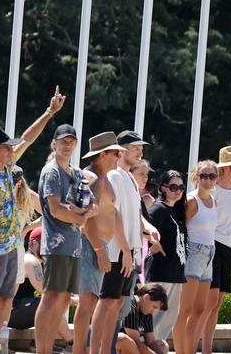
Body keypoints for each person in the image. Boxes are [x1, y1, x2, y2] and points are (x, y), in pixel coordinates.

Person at [0, 87, 65, 354]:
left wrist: (49, 113)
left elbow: (27, 139)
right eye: (6, 147)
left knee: (3, 300)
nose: (12, 150)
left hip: (12, 247)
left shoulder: (7, 169)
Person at [91, 130, 159, 354]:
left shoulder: (130, 177)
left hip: (129, 250)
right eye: (135, 147)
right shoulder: (114, 176)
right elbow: (113, 214)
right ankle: (96, 350)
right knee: (107, 302)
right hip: (115, 251)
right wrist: (125, 251)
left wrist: (148, 228)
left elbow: (134, 213)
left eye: (141, 148)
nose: (140, 152)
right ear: (121, 150)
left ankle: (105, 349)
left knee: (117, 305)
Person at [34, 124, 97, 354]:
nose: (67, 144)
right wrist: (80, 216)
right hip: (56, 245)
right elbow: (55, 209)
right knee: (51, 298)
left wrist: (81, 212)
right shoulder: (50, 171)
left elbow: (91, 205)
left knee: (62, 301)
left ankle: (48, 347)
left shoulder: (78, 173)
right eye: (63, 140)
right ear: (54, 143)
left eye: (71, 140)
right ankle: (43, 350)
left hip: (74, 247)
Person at [73, 131, 127, 354]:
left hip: (99, 245)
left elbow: (112, 214)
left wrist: (123, 246)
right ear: (103, 154)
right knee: (87, 302)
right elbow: (86, 218)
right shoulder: (91, 178)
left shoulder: (104, 178)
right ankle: (78, 350)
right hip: (90, 244)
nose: (118, 157)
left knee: (91, 301)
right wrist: (99, 250)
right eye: (115, 153)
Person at [198, 145, 231, 354]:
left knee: (218, 301)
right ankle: (193, 343)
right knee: (210, 301)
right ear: (228, 167)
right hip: (211, 244)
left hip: (228, 248)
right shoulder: (212, 191)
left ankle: (207, 349)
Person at [172, 160, 218, 354]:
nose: (207, 180)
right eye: (203, 176)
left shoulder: (213, 200)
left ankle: (190, 350)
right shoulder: (191, 201)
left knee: (200, 309)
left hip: (209, 253)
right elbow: (180, 229)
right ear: (195, 177)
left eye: (212, 176)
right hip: (193, 253)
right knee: (185, 309)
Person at [9, 228, 74, 345]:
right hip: (11, 311)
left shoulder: (41, 262)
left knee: (50, 304)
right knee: (50, 303)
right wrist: (74, 300)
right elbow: (46, 292)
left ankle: (44, 345)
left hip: (19, 310)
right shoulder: (30, 260)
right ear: (34, 243)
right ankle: (73, 344)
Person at [144, 170, 187, 342]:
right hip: (160, 273)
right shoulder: (158, 209)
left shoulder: (175, 210)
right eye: (173, 187)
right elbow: (144, 232)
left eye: (181, 187)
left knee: (167, 320)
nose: (178, 191)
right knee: (154, 321)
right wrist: (152, 245)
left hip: (175, 274)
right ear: (163, 188)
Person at [116, 283, 169, 354]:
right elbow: (135, 341)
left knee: (162, 345)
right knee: (122, 339)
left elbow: (151, 342)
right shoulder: (130, 306)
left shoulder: (147, 311)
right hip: (113, 345)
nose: (153, 311)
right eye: (154, 306)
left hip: (131, 347)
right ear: (146, 297)